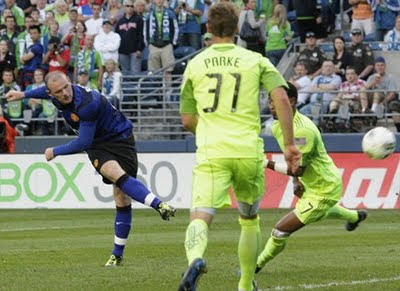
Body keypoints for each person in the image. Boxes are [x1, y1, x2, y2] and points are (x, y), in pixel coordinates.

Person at [178, 3, 301, 291]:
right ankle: (245, 284)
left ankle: (195, 259)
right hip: (247, 150)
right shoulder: (255, 61)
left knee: (200, 214)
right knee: (248, 218)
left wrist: (209, 128)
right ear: (236, 28)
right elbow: (281, 98)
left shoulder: (195, 64)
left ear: (208, 28)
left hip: (212, 150)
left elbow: (186, 119)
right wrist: (290, 144)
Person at [5, 70, 176, 266]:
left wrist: (56, 151)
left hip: (120, 139)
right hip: (98, 145)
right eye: (59, 92)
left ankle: (120, 249)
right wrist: (23, 95)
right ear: (52, 94)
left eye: (66, 87)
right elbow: (46, 90)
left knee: (121, 196)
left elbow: (83, 142)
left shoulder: (87, 104)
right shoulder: (55, 94)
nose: (65, 93)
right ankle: (158, 206)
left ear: (70, 81)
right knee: (114, 175)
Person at [255, 82, 368, 275]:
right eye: (269, 101)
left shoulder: (303, 131)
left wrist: (265, 163)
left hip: (325, 188)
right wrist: (296, 181)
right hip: (312, 182)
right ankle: (356, 216)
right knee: (321, 212)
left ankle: (254, 267)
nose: (271, 105)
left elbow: (297, 169)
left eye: (274, 101)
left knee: (280, 230)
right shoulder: (277, 126)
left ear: (290, 101)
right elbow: (293, 158)